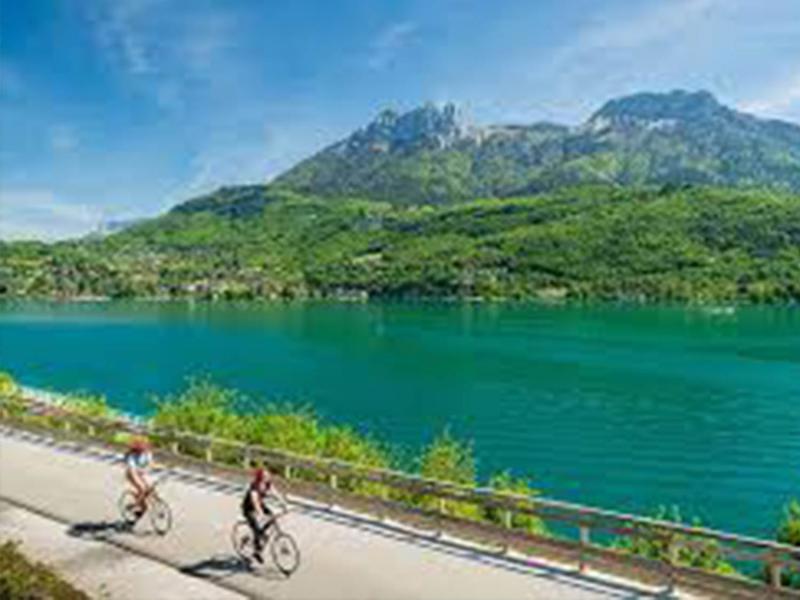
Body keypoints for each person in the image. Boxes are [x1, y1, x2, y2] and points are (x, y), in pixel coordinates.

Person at [241, 467, 288, 563]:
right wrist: (260, 514)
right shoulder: (254, 487)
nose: (268, 477)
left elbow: (276, 494)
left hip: (260, 504)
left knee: (272, 518)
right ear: (260, 477)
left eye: (268, 475)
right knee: (257, 530)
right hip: (249, 508)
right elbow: (255, 502)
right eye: (265, 476)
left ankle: (260, 534)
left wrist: (283, 504)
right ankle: (257, 552)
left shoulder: (267, 484)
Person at [124, 437, 153, 518]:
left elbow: (150, 464)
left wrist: (145, 471)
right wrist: (139, 474)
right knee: (142, 489)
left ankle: (140, 503)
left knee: (150, 488)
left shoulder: (147, 453)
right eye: (142, 447)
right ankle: (135, 505)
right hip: (132, 474)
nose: (144, 448)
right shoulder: (132, 456)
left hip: (142, 473)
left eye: (145, 446)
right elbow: (132, 469)